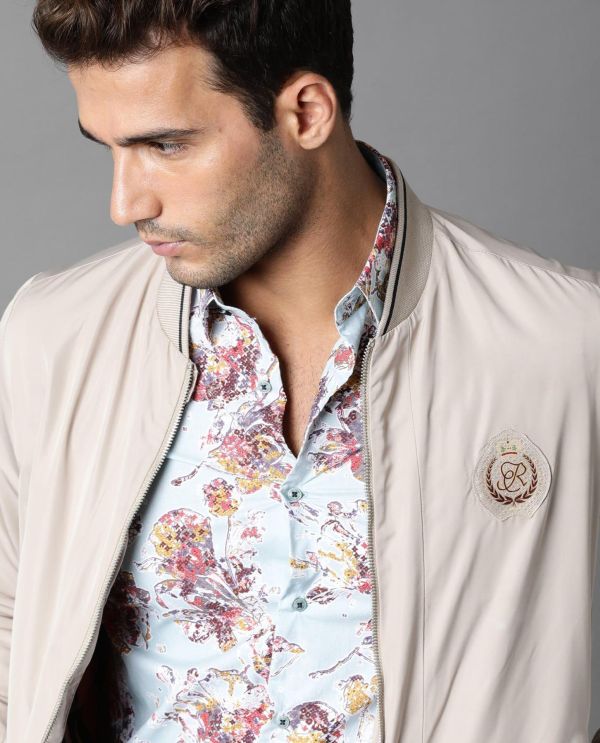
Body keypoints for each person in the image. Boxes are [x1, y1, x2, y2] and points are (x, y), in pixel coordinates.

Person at [1, 1, 599, 741]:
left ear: (307, 112)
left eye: (166, 145)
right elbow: (12, 640)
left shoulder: (566, 348)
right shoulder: (54, 338)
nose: (126, 202)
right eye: (109, 148)